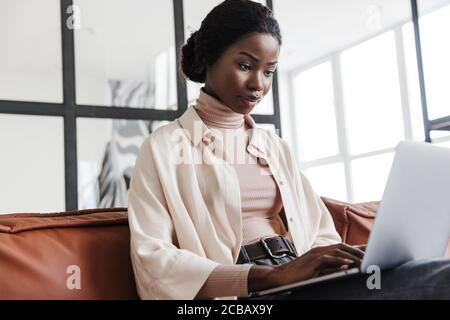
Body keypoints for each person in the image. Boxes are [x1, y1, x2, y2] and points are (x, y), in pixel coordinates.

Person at [127, 0, 450, 300]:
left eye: (268, 71)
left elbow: (320, 234)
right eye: (244, 65)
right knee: (438, 279)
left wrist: (337, 261)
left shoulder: (273, 146)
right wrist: (270, 276)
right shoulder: (164, 147)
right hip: (254, 289)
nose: (258, 84)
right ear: (210, 58)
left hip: (301, 279)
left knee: (423, 272)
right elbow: (153, 261)